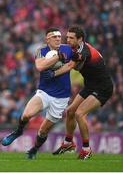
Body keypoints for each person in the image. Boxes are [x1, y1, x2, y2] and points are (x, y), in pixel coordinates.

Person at [1, 27, 74, 159]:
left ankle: (34, 150)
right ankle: (18, 131)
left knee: (43, 131)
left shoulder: (68, 49)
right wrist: (57, 56)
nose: (58, 39)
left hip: (62, 97)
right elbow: (40, 66)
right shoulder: (41, 51)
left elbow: (79, 56)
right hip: (44, 92)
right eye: (54, 37)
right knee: (26, 115)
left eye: (59, 36)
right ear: (47, 39)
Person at [43, 26, 114, 160]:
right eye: (67, 37)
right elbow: (63, 51)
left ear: (80, 39)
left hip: (102, 87)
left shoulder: (84, 51)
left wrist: (53, 74)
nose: (68, 40)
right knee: (70, 111)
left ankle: (86, 149)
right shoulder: (74, 48)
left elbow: (70, 66)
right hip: (90, 85)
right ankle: (68, 143)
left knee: (79, 114)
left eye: (71, 38)